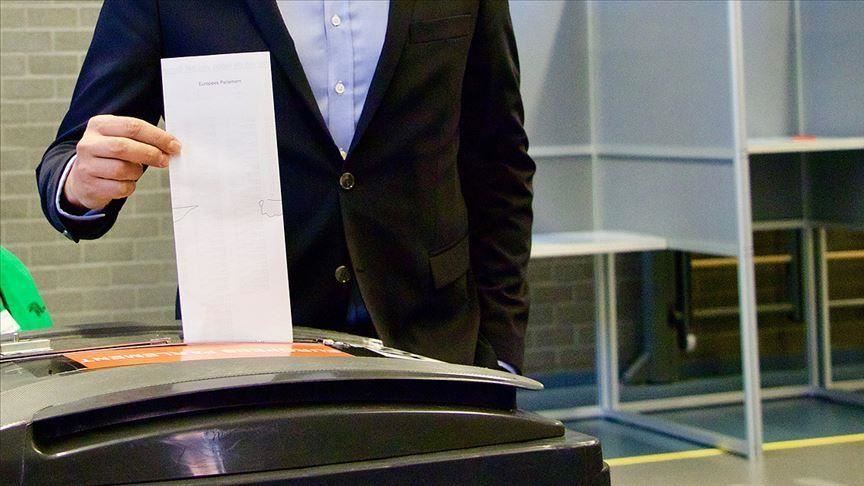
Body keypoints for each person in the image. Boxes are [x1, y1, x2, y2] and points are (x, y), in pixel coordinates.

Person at [36, 0, 534, 372]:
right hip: (245, 357)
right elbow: (68, 154)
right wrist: (80, 183)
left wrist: (503, 350)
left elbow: (500, 161)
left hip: (436, 345)